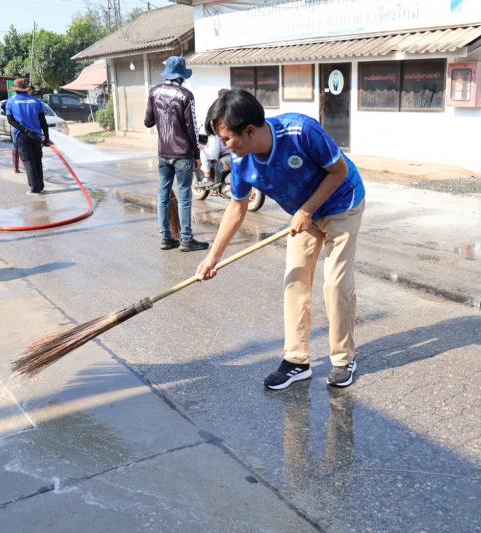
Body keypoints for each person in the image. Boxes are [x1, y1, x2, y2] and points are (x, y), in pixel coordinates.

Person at [195, 89, 366, 389]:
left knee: (335, 283)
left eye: (227, 139)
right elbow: (237, 207)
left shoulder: (301, 131)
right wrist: (213, 257)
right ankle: (297, 361)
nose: (223, 146)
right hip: (304, 214)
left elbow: (338, 170)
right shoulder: (241, 162)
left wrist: (307, 210)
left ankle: (343, 359)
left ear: (249, 131)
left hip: (342, 203)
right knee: (294, 281)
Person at [143, 56, 208, 252]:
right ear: (182, 76)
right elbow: (192, 128)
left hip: (163, 153)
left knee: (163, 195)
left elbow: (148, 122)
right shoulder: (186, 95)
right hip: (183, 154)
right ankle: (186, 239)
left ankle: (166, 237)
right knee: (185, 196)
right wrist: (197, 155)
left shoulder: (154, 92)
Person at [5, 78, 50, 194]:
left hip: (22, 135)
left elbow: (11, 121)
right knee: (37, 160)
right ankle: (40, 186)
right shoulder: (36, 101)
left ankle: (35, 189)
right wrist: (47, 137)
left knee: (28, 161)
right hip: (36, 136)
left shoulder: (10, 102)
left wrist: (25, 130)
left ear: (15, 89)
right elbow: (43, 121)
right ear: (26, 89)